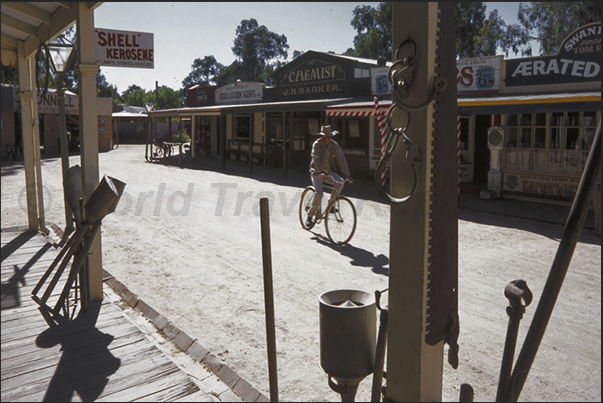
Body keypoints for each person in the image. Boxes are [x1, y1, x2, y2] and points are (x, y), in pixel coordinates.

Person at [306, 125, 353, 227]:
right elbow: (316, 159)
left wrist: (347, 174)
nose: (327, 139)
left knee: (340, 182)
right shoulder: (317, 144)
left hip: (329, 171)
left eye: (329, 137)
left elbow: (341, 160)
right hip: (317, 172)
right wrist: (321, 171)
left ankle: (331, 204)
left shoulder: (334, 145)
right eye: (325, 137)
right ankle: (310, 216)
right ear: (322, 137)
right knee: (319, 193)